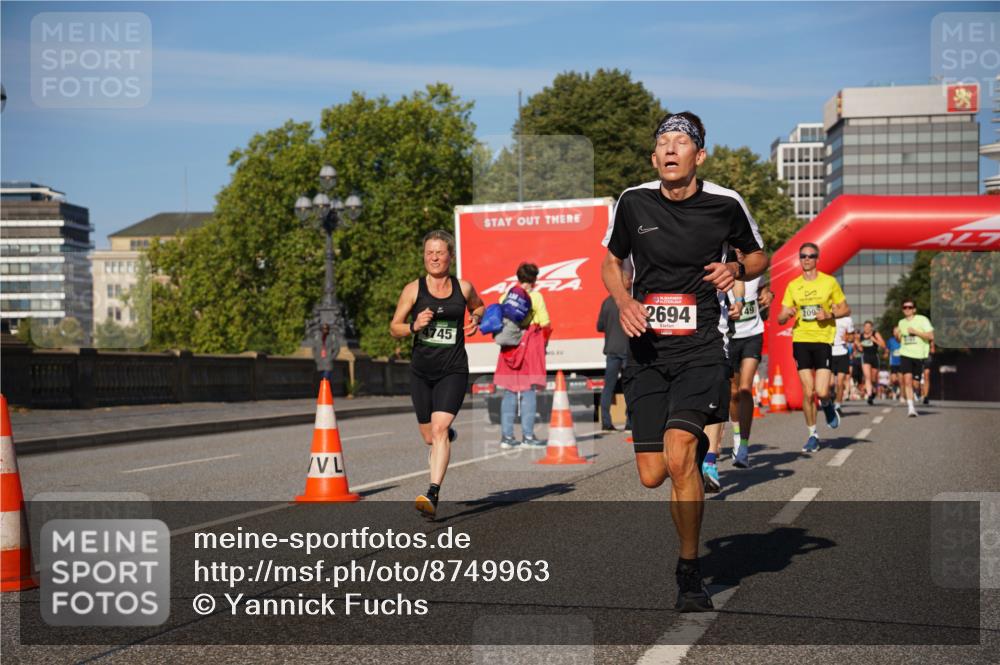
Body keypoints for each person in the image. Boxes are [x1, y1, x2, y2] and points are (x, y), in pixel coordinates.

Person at [602, 111, 768, 612]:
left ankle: (690, 570)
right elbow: (612, 261)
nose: (671, 149)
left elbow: (760, 257)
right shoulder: (632, 202)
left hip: (702, 346)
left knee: (678, 455)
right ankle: (689, 459)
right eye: (663, 142)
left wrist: (736, 267)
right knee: (654, 474)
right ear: (655, 158)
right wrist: (624, 300)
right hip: (648, 350)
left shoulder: (725, 203)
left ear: (700, 154)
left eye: (682, 141)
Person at [390, 230, 484, 517]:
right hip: (421, 372)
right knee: (429, 437)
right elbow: (395, 328)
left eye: (439, 252)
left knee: (439, 429)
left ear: (450, 256)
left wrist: (476, 318)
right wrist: (414, 326)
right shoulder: (413, 290)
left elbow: (479, 305)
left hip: (453, 369)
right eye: (429, 252)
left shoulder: (463, 288)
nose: (434, 257)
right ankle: (443, 435)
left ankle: (432, 493)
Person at [777, 242, 850, 453]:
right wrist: (786, 314)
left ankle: (827, 404)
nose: (806, 259)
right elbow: (781, 317)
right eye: (803, 256)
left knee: (821, 391)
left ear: (817, 259)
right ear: (799, 259)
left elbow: (846, 308)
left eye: (810, 256)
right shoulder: (793, 285)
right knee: (808, 392)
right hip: (801, 339)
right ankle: (812, 435)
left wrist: (830, 314)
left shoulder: (829, 282)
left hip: (824, 340)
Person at [494, 263, 551, 449]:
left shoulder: (505, 296)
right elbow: (545, 323)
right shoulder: (536, 297)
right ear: (534, 279)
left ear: (518, 277)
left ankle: (506, 437)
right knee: (528, 392)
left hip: (509, 349)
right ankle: (528, 437)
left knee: (509, 392)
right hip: (528, 348)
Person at [719, 274, 771, 473]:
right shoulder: (723, 271)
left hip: (752, 335)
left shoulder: (754, 272)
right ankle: (736, 436)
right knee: (733, 393)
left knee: (745, 389)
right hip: (730, 337)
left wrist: (767, 293)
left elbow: (764, 288)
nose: (740, 252)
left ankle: (744, 446)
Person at [597, 263, 633, 432]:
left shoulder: (606, 302)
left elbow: (599, 326)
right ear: (625, 282)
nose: (631, 281)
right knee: (630, 387)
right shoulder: (631, 302)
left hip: (612, 350)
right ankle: (629, 422)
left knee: (608, 387)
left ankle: (606, 422)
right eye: (629, 279)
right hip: (628, 350)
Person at [897, 299, 934, 417]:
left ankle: (917, 392)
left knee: (915, 384)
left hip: (919, 355)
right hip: (905, 354)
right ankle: (911, 408)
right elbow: (902, 339)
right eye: (905, 307)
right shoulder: (901, 322)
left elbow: (931, 336)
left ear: (914, 309)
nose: (907, 309)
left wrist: (915, 332)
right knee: (907, 380)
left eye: (909, 307)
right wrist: (898, 336)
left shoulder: (922, 320)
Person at [855, 320, 886, 405]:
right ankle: (869, 395)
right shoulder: (860, 336)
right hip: (865, 357)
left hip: (874, 357)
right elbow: (856, 342)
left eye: (869, 327)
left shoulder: (875, 334)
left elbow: (883, 345)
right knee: (867, 377)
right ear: (863, 327)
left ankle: (874, 391)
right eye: (865, 327)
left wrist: (875, 340)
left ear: (871, 328)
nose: (867, 328)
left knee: (873, 378)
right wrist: (858, 345)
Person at [830, 314, 855, 415]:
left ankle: (838, 406)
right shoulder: (826, 316)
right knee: (830, 384)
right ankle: (831, 398)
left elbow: (852, 337)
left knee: (840, 383)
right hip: (829, 352)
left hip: (842, 352)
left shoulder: (847, 320)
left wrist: (848, 338)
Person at [886, 326, 902, 401]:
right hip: (893, 363)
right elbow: (887, 349)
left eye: (897, 331)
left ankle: (901, 395)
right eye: (894, 332)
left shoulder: (903, 340)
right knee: (894, 380)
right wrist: (886, 353)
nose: (896, 333)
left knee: (901, 380)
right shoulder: (890, 340)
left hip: (902, 362)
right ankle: (895, 390)